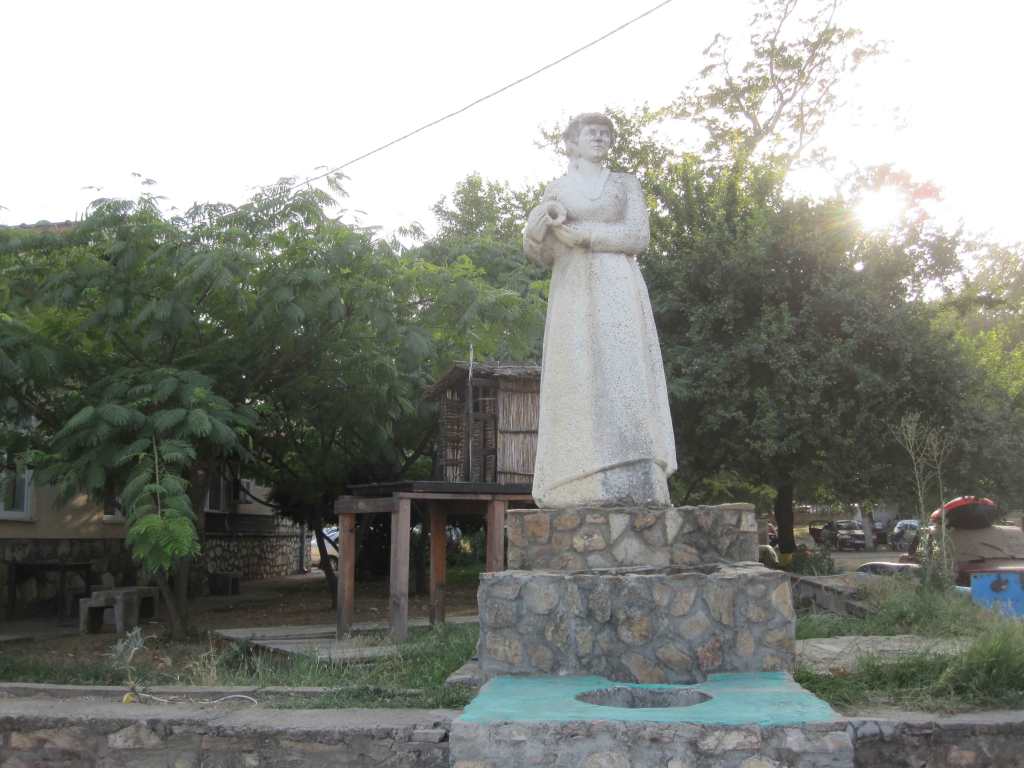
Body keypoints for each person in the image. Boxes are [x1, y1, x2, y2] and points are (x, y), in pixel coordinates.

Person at [524, 112, 676, 508]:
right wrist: (536, 227)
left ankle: (634, 465)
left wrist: (588, 236)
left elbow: (638, 235)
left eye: (605, 132)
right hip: (573, 288)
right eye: (590, 131)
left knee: (624, 372)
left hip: (617, 285)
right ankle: (574, 477)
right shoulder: (556, 188)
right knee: (577, 373)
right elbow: (542, 253)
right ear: (570, 142)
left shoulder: (626, 184)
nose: (599, 136)